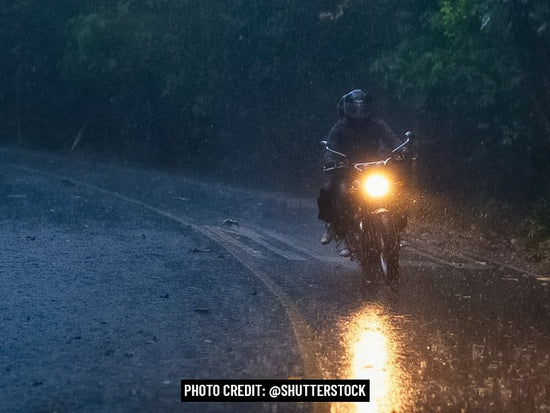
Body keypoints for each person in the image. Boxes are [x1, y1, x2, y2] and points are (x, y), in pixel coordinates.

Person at [317, 89, 406, 257]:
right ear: (346, 108)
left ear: (368, 107)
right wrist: (333, 160)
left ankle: (396, 229)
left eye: (362, 106)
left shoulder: (378, 125)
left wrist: (402, 149)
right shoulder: (340, 128)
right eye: (354, 107)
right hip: (348, 170)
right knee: (335, 192)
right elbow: (330, 148)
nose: (359, 111)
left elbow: (392, 138)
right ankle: (339, 232)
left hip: (375, 168)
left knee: (398, 191)